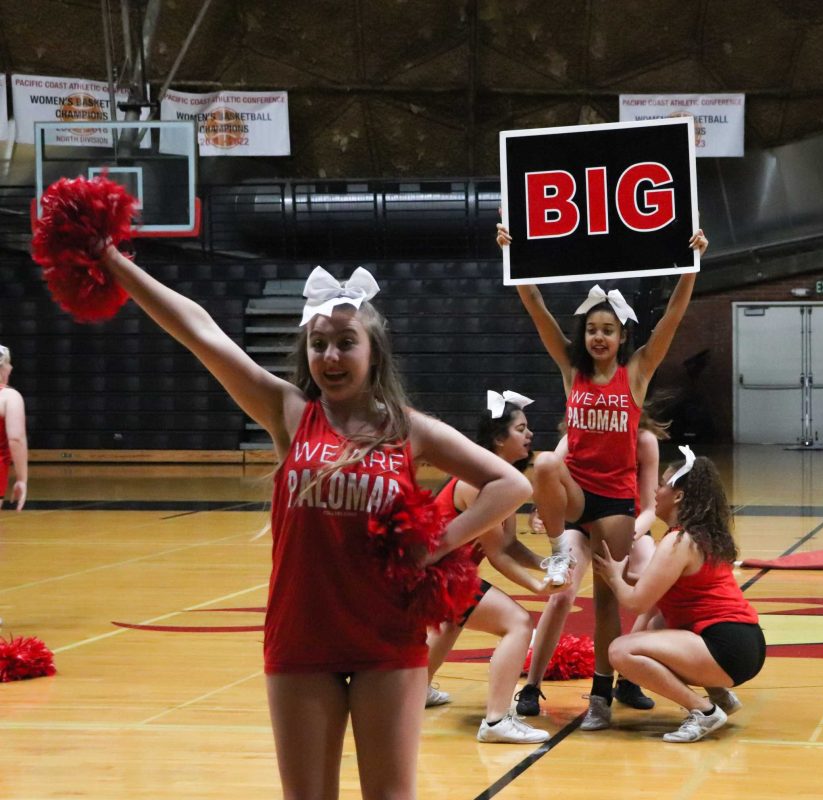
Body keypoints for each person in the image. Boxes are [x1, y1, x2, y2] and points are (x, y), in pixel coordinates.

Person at [93, 250, 529, 800]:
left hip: (387, 639)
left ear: (373, 353)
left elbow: (512, 485)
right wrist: (112, 260)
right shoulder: (289, 412)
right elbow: (200, 331)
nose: (331, 356)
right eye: (319, 343)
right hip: (301, 637)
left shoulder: (409, 429)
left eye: (347, 342)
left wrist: (434, 547)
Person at [497, 221, 706, 730]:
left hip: (614, 503)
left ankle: (601, 694)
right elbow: (538, 313)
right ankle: (554, 554)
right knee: (545, 462)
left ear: (621, 337)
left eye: (607, 330)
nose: (598, 336)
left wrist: (690, 268)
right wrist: (515, 258)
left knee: (606, 595)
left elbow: (671, 323)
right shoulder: (572, 372)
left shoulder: (635, 373)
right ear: (583, 335)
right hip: (575, 496)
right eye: (592, 329)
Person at [592, 448, 765, 743]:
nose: (656, 491)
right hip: (744, 643)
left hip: (725, 646)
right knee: (659, 622)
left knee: (621, 651)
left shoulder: (678, 540)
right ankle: (720, 696)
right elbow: (654, 583)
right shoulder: (698, 535)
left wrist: (611, 577)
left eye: (662, 484)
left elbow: (636, 601)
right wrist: (621, 574)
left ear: (679, 495)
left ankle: (704, 710)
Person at [424, 390, 568, 744]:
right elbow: (498, 554)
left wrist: (544, 563)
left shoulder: (502, 480)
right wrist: (536, 587)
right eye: (521, 428)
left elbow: (511, 544)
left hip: (446, 573)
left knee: (449, 626)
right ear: (499, 439)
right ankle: (496, 720)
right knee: (517, 622)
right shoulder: (477, 485)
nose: (530, 435)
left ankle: (415, 689)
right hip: (434, 573)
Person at [515, 415, 666, 716]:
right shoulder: (577, 433)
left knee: (656, 588)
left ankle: (628, 678)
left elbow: (650, 508)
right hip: (581, 521)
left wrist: (629, 535)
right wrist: (539, 509)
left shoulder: (644, 440)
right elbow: (547, 476)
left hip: (628, 521)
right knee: (561, 594)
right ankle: (532, 686)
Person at [0, 344, 28, 512]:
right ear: (2, 367)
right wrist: (22, 478)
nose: (11, 367)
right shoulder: (9, 397)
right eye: (9, 363)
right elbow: (16, 439)